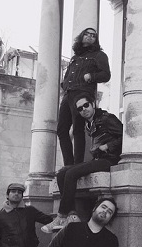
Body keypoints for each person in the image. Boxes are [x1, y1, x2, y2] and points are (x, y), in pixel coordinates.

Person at [42, 93, 123, 234]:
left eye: (86, 105)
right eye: (80, 108)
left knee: (71, 173)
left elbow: (125, 136)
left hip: (109, 160)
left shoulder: (107, 118)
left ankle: (61, 217)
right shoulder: (88, 123)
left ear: (93, 104)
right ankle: (72, 215)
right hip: (98, 159)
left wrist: (108, 146)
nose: (84, 109)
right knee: (62, 173)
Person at [58, 27, 111, 166]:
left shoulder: (99, 55)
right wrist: (64, 85)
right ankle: (68, 164)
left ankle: (77, 164)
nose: (89, 37)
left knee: (78, 128)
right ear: (81, 36)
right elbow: (67, 76)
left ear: (96, 40)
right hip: (68, 94)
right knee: (61, 130)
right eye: (87, 34)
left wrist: (91, 76)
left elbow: (106, 75)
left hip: (82, 93)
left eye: (93, 35)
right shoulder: (75, 57)